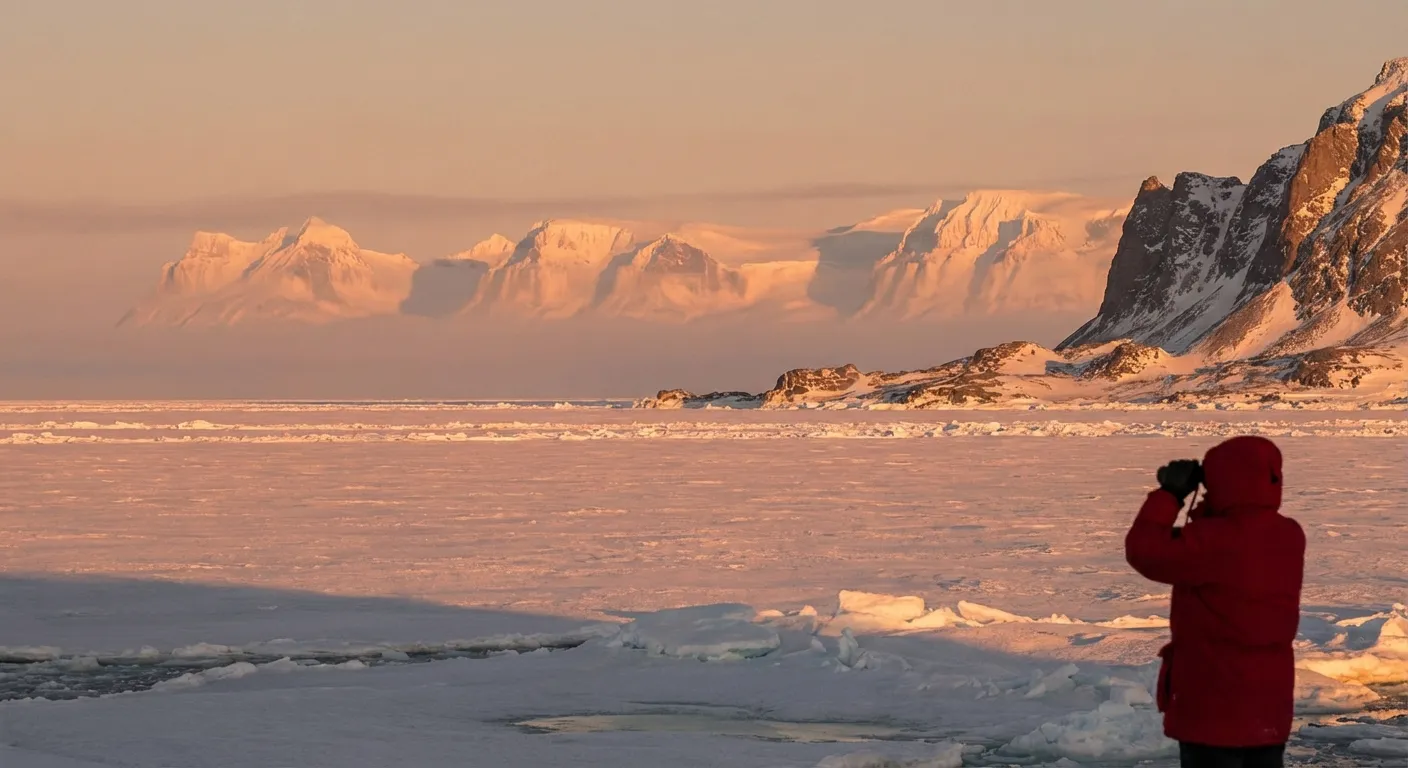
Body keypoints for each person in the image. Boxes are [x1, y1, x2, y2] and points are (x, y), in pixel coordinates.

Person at [1125, 436, 1306, 768]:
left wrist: (1169, 495)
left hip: (1213, 705)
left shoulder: (1215, 540)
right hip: (1268, 706)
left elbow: (1145, 552)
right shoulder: (1289, 534)